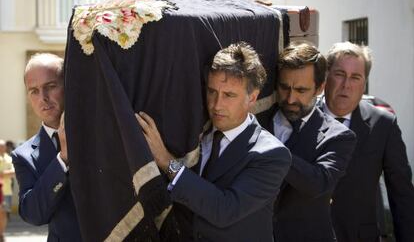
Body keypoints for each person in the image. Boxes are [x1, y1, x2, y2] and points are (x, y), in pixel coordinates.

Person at [137, 42, 292, 241]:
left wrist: (168, 162)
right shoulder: (197, 134)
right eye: (212, 91)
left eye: (229, 95)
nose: (217, 105)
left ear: (252, 98)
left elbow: (224, 209)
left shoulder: (272, 155)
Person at [256, 41, 356, 241]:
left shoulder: (338, 136)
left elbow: (317, 183)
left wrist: (269, 146)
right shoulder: (256, 124)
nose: (291, 99)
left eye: (301, 90)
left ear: (319, 88)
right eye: (285, 88)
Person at [323, 42, 414, 242]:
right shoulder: (304, 118)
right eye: (339, 74)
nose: (346, 84)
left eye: (355, 77)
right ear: (326, 76)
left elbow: (402, 193)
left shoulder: (383, 125)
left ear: (364, 84)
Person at [11, 53, 82, 241]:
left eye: (50, 87)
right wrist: (63, 159)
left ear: (67, 85)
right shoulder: (23, 155)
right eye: (34, 91)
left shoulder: (99, 133)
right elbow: (33, 214)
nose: (43, 98)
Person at [0, 139, 15, 231]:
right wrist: (6, 173)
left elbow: (13, 172)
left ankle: (1, 233)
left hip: (7, 190)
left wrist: (2, 174)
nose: (1, 148)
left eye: (2, 146)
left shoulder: (9, 159)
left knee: (5, 212)